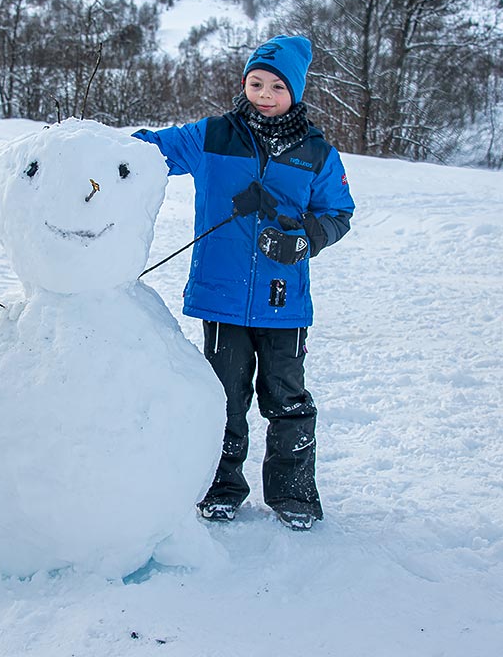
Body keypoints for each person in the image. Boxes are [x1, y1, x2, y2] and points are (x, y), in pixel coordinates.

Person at [133, 35, 355, 531]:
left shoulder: (316, 152)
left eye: (277, 86)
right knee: (222, 398)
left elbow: (339, 213)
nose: (264, 93)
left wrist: (305, 239)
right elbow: (149, 151)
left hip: (284, 302)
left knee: (286, 398)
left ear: (295, 92)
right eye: (256, 82)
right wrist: (88, 147)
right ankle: (220, 488)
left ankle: (294, 494)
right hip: (223, 296)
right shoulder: (213, 136)